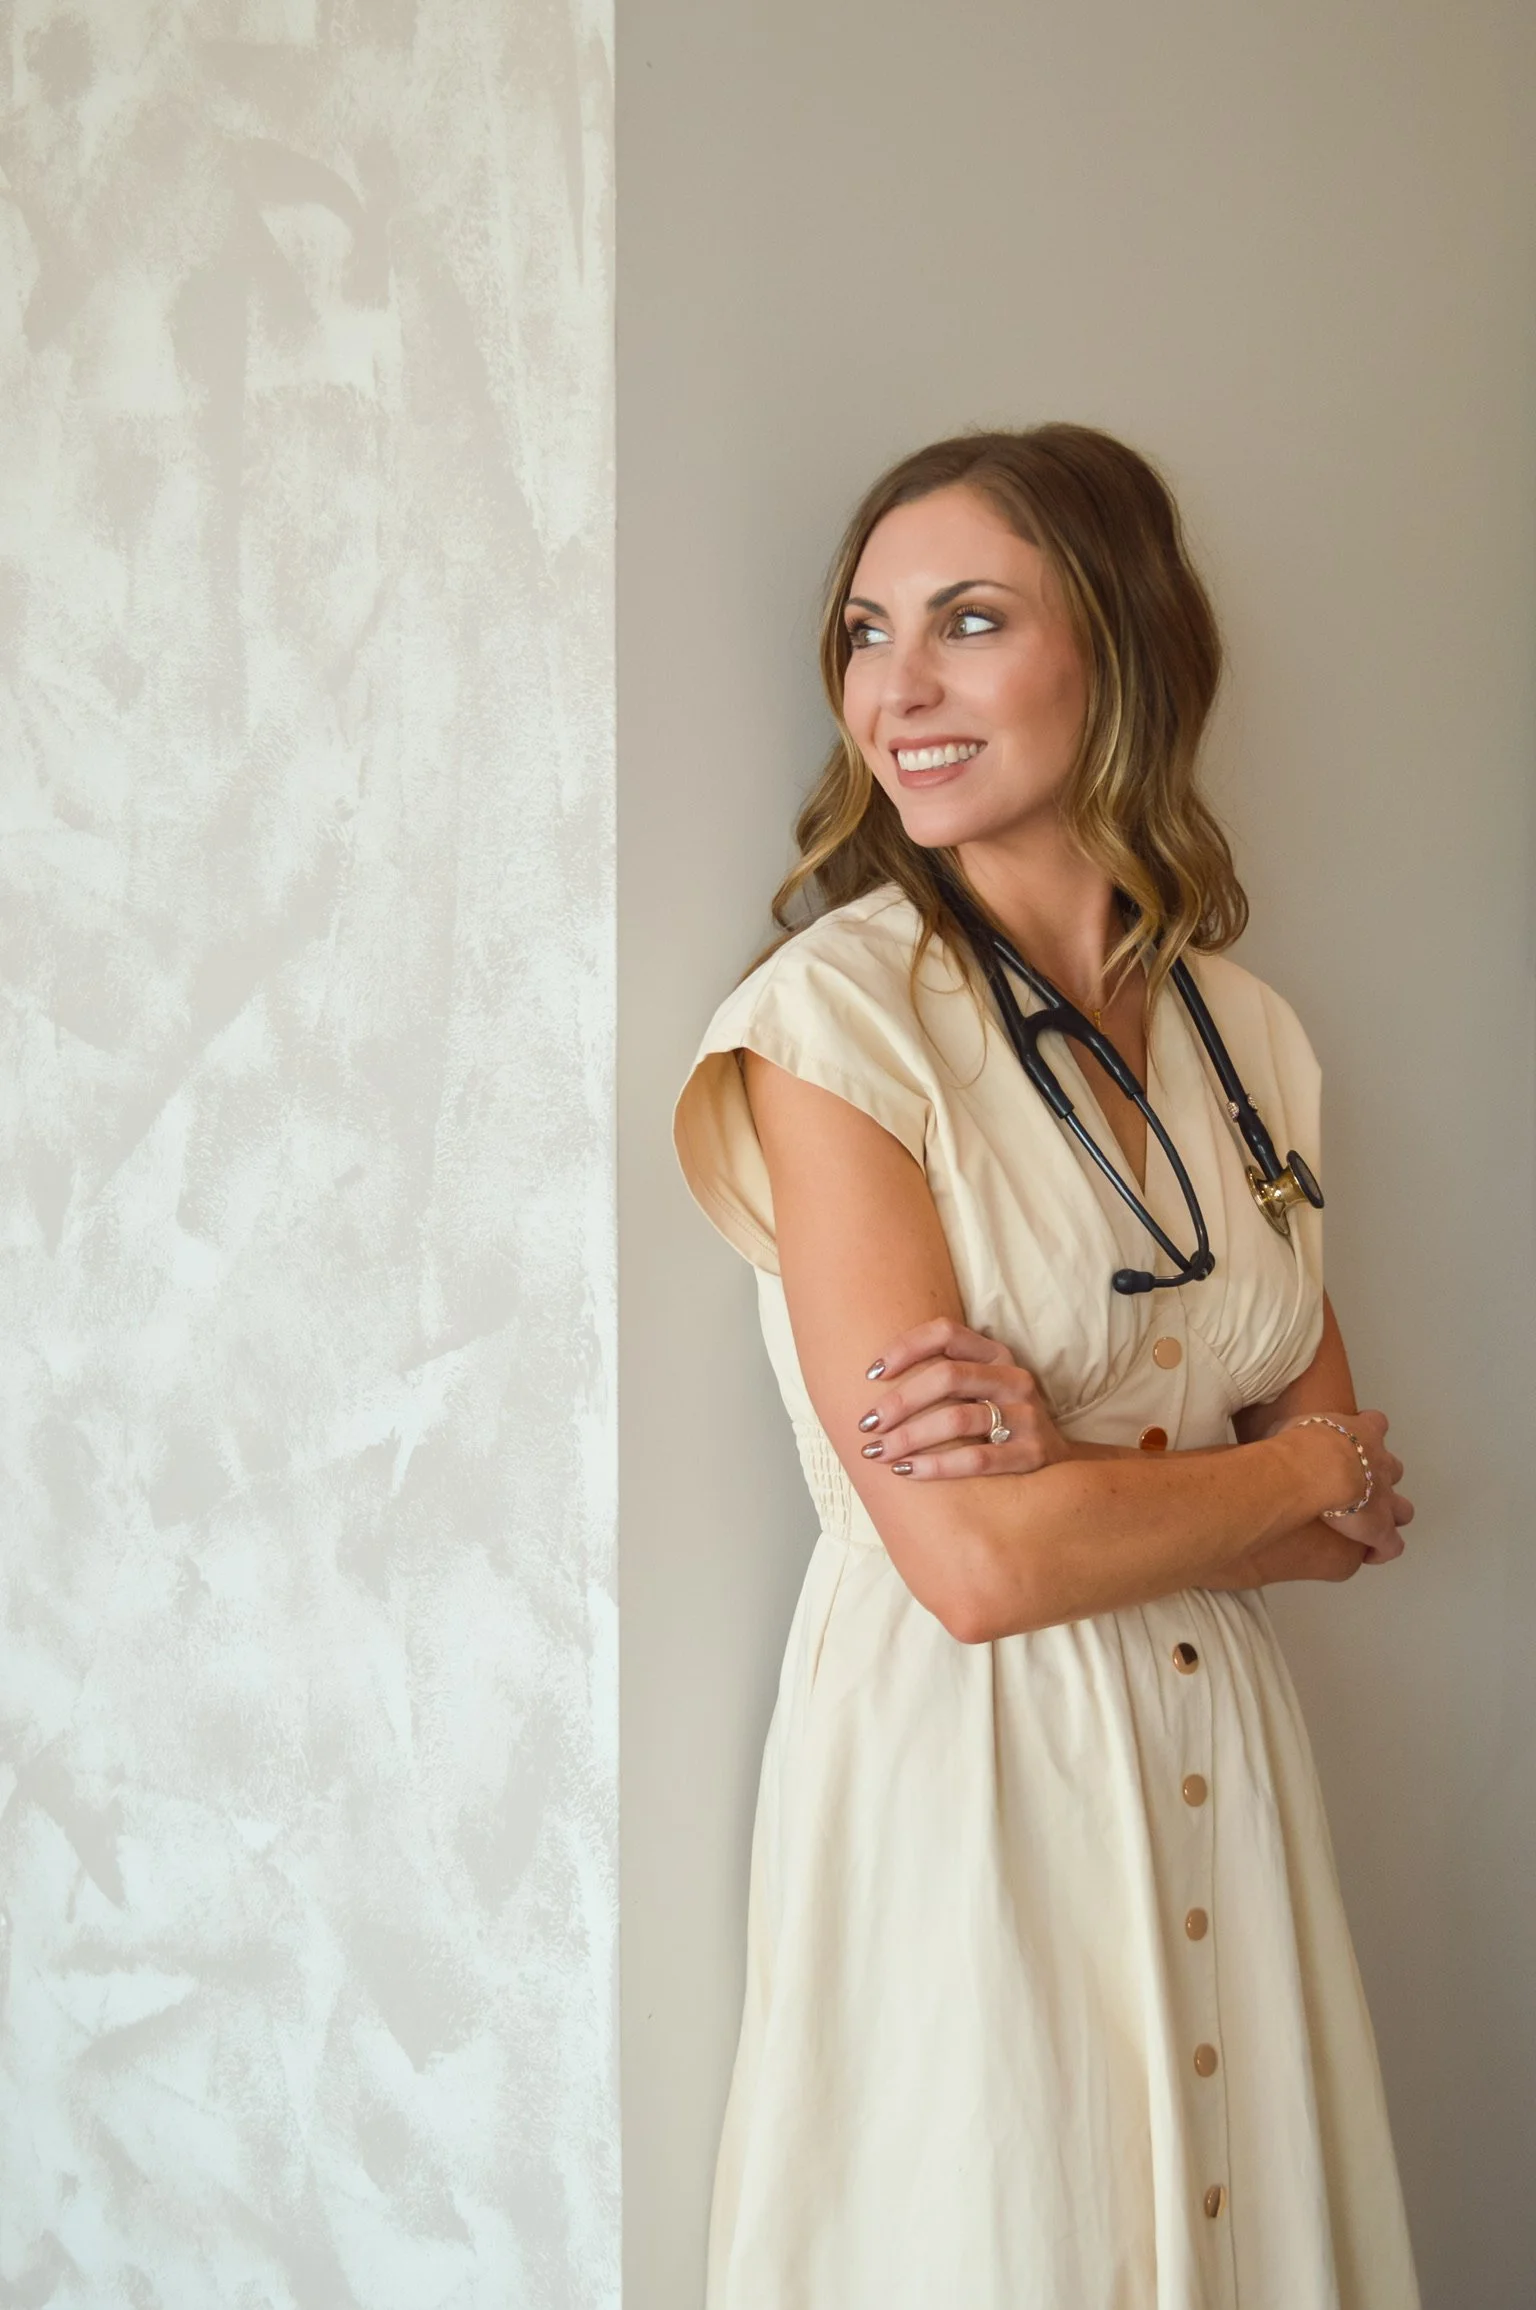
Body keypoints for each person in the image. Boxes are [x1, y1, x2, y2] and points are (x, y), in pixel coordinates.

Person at [671, 424, 1420, 2309]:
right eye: (863, 633)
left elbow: (1355, 1519)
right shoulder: (832, 1026)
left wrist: (1089, 1458)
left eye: (969, 621)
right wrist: (1269, 1473)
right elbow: (981, 1566)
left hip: (1218, 1760)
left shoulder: (1247, 1033)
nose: (894, 690)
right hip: (965, 1782)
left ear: (1122, 652)